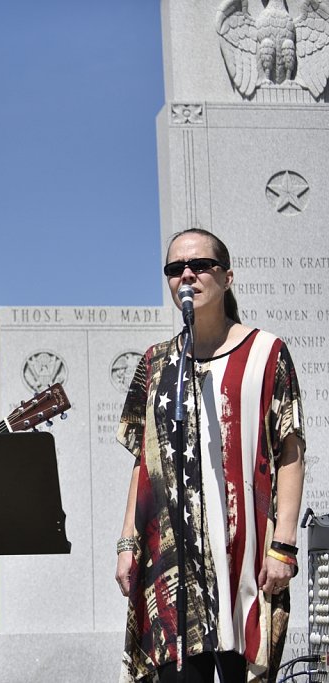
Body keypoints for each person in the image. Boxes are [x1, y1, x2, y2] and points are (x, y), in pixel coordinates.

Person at [114, 229, 305, 682]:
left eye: (200, 266)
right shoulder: (157, 363)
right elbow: (144, 460)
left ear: (227, 277)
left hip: (246, 554)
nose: (187, 275)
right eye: (175, 268)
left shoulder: (266, 352)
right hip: (172, 562)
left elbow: (291, 452)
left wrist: (283, 544)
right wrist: (127, 543)